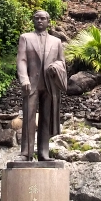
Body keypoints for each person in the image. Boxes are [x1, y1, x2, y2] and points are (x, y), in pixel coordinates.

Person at [16, 10, 66, 161]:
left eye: (42, 18)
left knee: (46, 118)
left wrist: (55, 67)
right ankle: (26, 153)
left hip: (49, 85)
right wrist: (24, 79)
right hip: (31, 84)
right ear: (33, 20)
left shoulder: (56, 41)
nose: (39, 21)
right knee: (28, 117)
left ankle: (44, 153)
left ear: (48, 21)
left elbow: (62, 62)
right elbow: (21, 60)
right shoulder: (25, 38)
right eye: (37, 18)